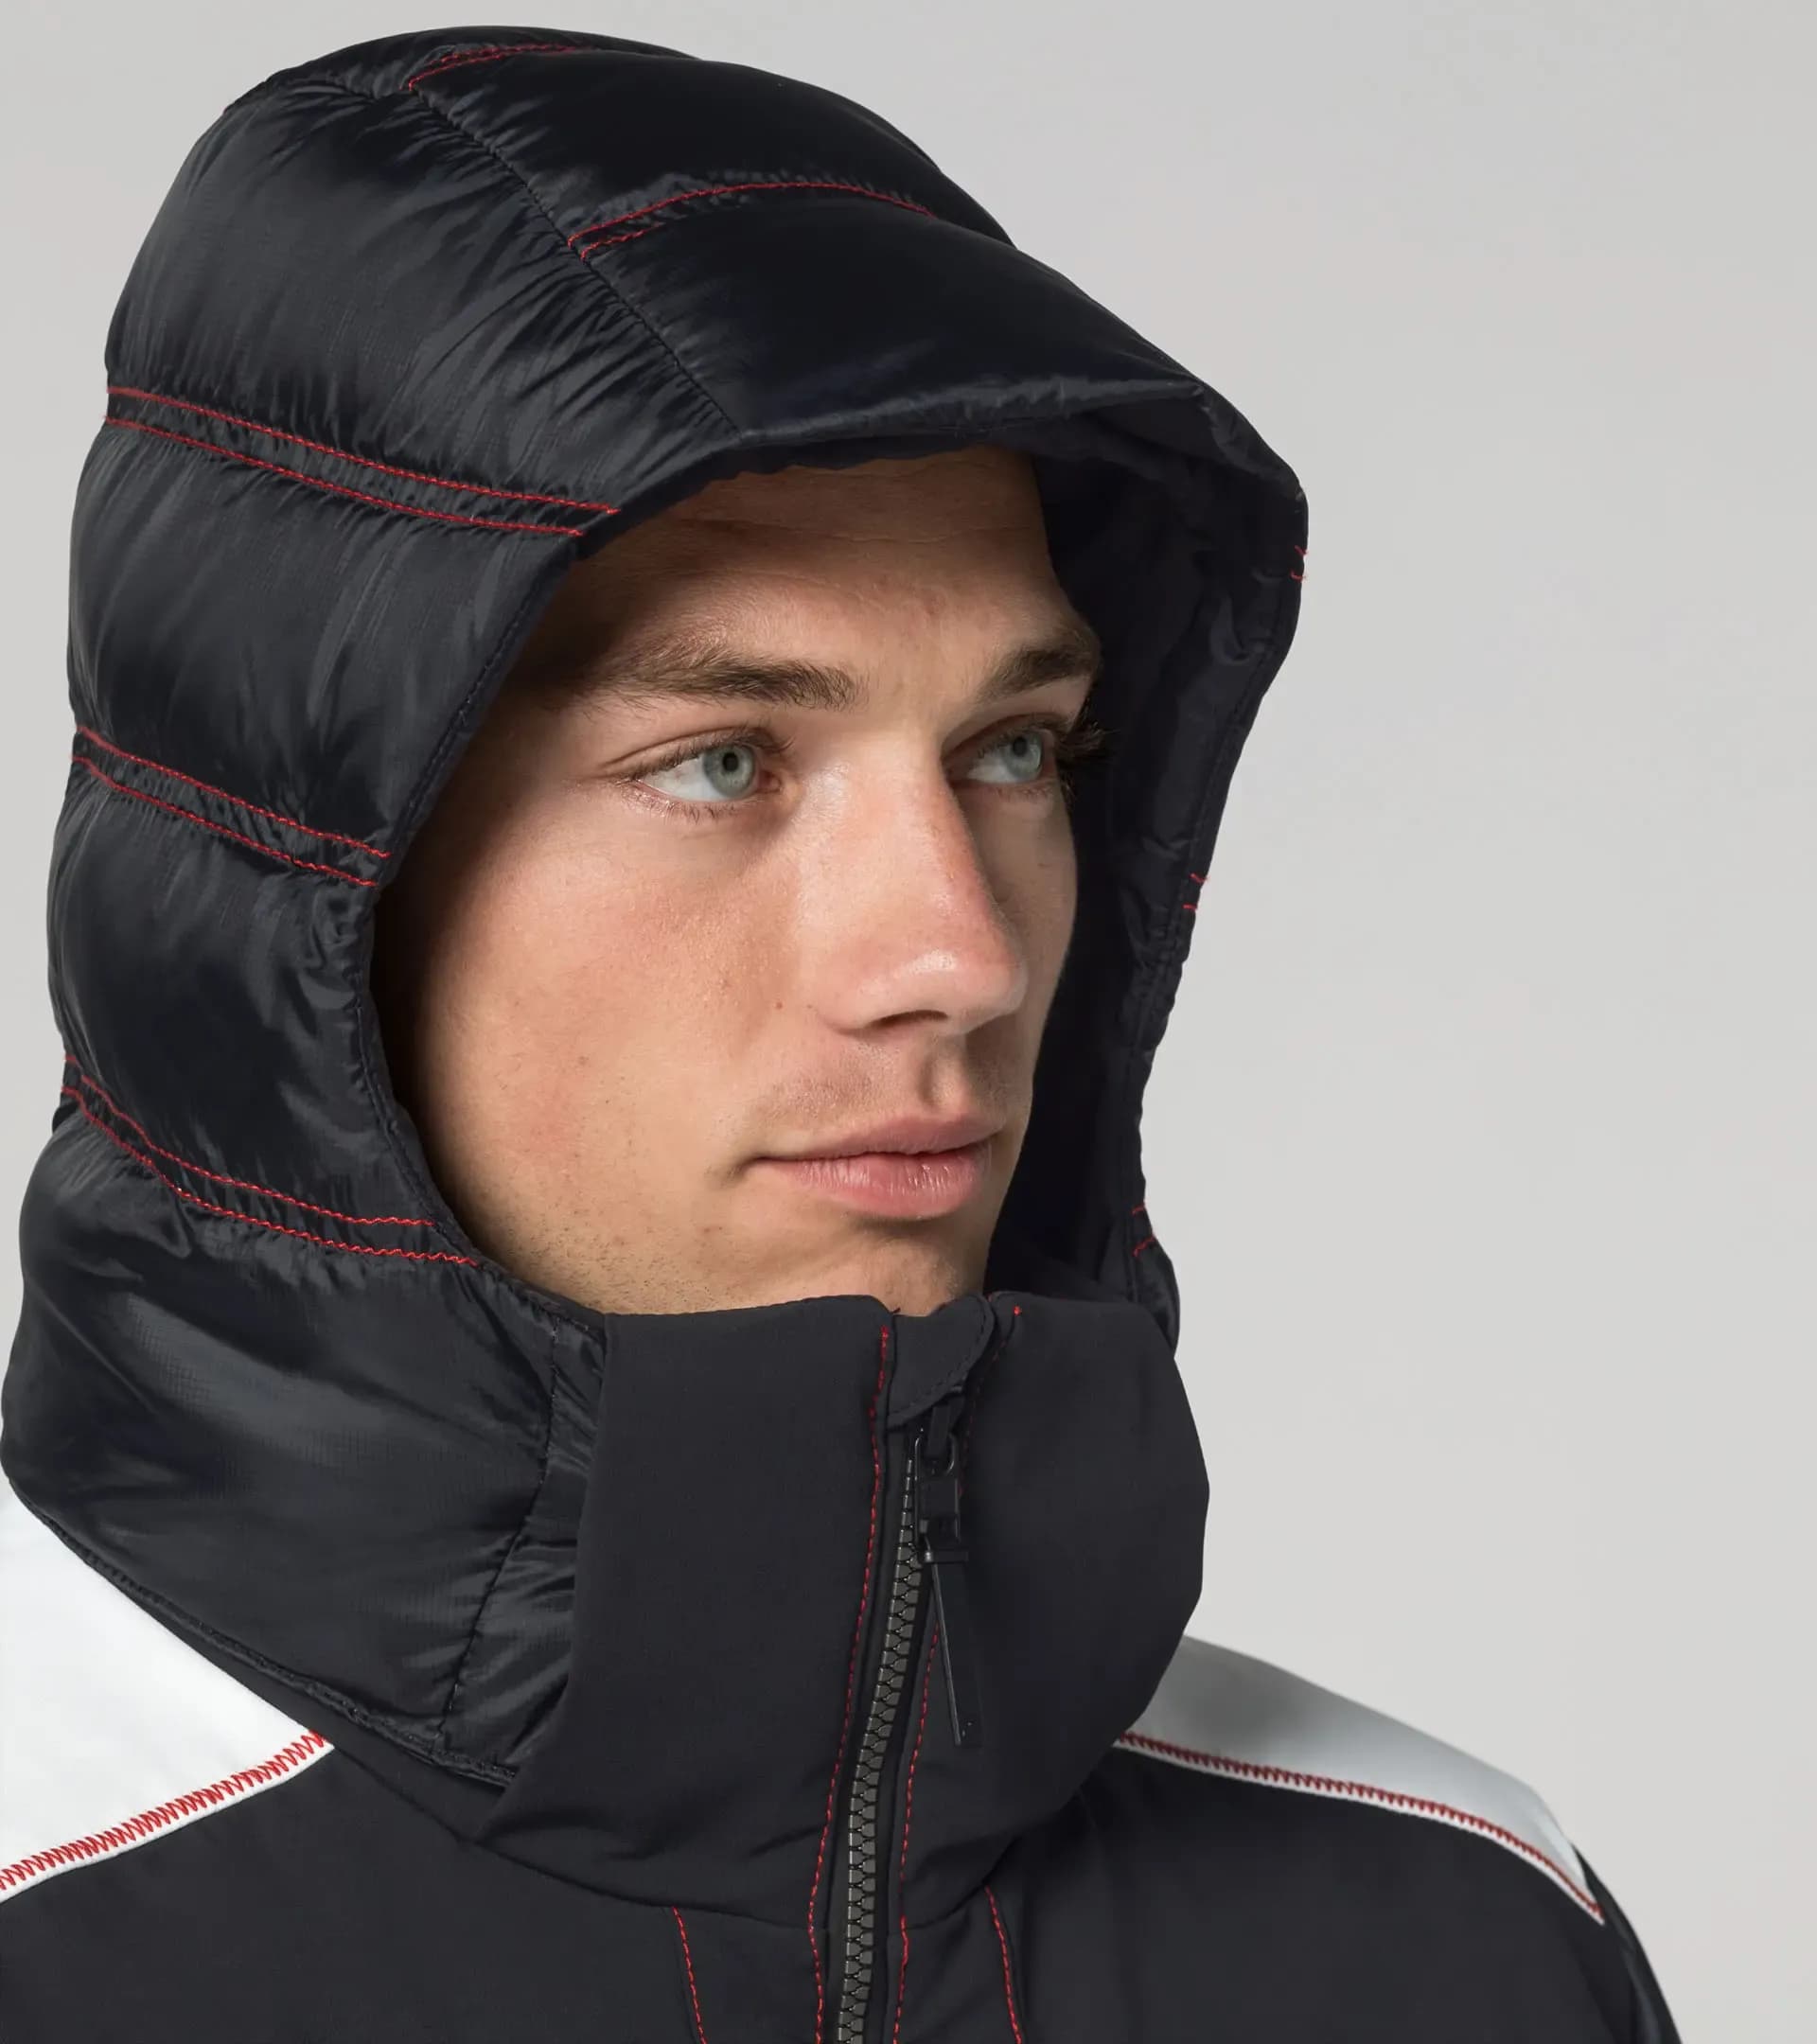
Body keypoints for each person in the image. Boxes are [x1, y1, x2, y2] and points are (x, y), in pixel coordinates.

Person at [0, 26, 1680, 2043]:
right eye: (724, 760)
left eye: (1014, 749)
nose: (959, 956)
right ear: (311, 871)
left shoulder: (1456, 1934)